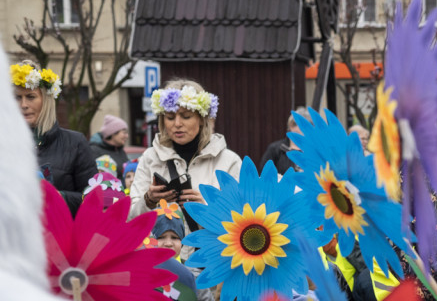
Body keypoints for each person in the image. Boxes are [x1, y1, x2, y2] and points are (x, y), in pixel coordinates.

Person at [130, 79, 241, 236]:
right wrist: (148, 201)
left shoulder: (229, 161)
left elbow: (243, 220)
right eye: (169, 117)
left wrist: (206, 208)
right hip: (162, 258)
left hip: (209, 257)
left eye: (186, 116)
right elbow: (129, 219)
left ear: (202, 120)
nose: (177, 124)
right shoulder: (150, 157)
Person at [11, 60, 96, 215]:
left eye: (30, 97)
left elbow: (95, 199)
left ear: (46, 100)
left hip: (60, 236)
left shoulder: (75, 143)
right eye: (17, 98)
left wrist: (59, 197)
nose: (23, 105)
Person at [259, 107, 311, 175]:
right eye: (295, 124)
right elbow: (264, 174)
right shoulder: (275, 149)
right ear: (289, 127)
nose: (300, 128)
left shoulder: (315, 151)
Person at [89, 114, 130, 179]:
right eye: (124, 133)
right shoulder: (95, 151)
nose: (127, 136)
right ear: (113, 133)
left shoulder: (119, 150)